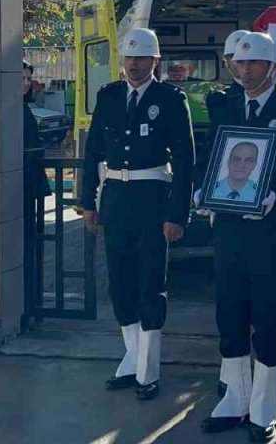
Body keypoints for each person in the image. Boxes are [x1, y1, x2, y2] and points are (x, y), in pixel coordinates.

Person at [197, 32, 276, 441]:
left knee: (268, 319)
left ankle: (263, 409)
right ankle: (233, 399)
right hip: (229, 230)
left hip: (272, 232)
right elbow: (212, 158)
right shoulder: (227, 108)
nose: (245, 70)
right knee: (229, 315)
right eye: (240, 64)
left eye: (254, 64)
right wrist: (204, 191)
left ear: (272, 68)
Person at [79, 28, 195, 401]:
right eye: (129, 58)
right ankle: (132, 358)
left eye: (142, 58)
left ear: (155, 61)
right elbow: (93, 151)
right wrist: (88, 202)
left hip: (152, 199)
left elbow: (185, 159)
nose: (134, 64)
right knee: (120, 283)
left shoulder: (170, 99)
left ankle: (148, 370)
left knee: (150, 284)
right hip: (116, 199)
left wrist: (177, 213)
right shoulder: (109, 96)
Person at [23, 61, 51, 205]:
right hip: (21, 174)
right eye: (22, 79)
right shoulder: (11, 106)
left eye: (28, 79)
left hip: (30, 172)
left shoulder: (24, 105)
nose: (26, 83)